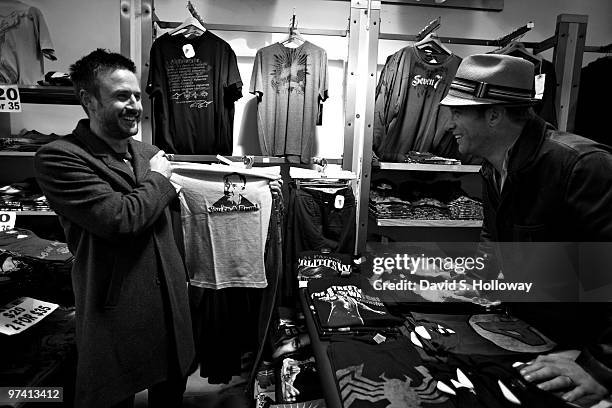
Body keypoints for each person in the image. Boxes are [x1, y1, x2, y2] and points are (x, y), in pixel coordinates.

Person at [439, 53, 612, 406]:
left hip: (580, 351)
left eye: (458, 112)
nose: (448, 124)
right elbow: (494, 238)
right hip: (532, 331)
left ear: (493, 114)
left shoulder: (582, 166)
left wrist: (600, 366)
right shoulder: (493, 167)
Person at [34, 49, 195, 408]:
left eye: (137, 95)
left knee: (170, 395)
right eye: (122, 96)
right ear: (88, 101)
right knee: (112, 398)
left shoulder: (148, 152)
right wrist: (158, 178)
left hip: (170, 307)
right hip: (116, 312)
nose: (135, 105)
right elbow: (121, 220)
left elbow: (171, 224)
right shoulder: (60, 157)